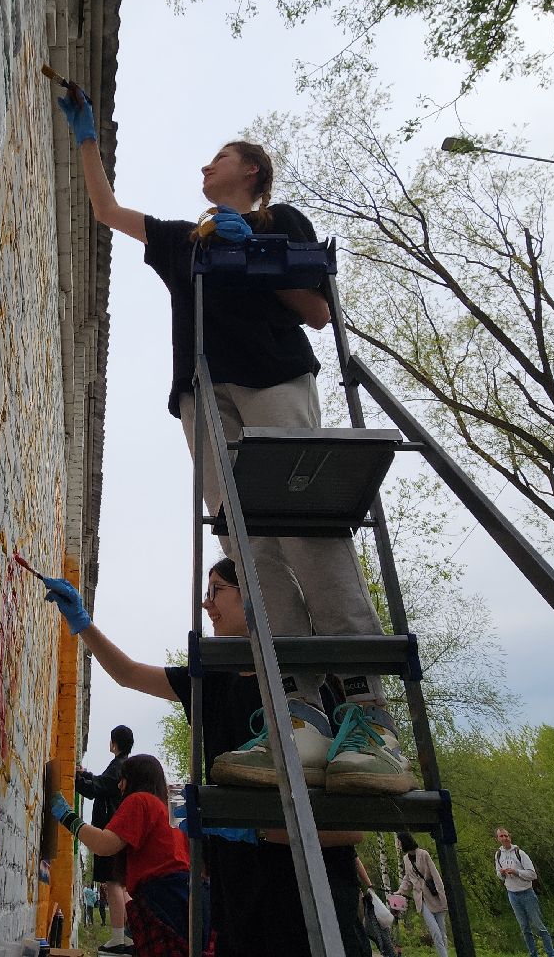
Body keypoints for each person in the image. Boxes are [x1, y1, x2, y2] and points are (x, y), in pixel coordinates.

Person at [55, 90, 415, 795]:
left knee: (310, 533)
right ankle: (302, 715)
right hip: (203, 395)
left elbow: (316, 312)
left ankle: (370, 716)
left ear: (251, 172)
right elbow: (107, 212)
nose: (205, 162)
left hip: (272, 378)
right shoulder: (186, 241)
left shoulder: (279, 220)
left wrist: (265, 255)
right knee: (250, 552)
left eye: (220, 155)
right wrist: (87, 141)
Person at [41, 559, 371, 957]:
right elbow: (128, 673)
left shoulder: (312, 698)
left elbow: (351, 829)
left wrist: (256, 828)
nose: (206, 603)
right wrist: (82, 621)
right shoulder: (212, 683)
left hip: (309, 911)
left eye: (217, 590)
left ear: (252, 595)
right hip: (237, 912)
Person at [51, 754, 203, 956]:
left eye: (123, 779)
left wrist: (66, 816)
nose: (120, 786)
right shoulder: (166, 809)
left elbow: (104, 844)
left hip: (161, 898)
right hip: (183, 897)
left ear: (136, 779)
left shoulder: (140, 801)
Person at [78, 724, 135, 952]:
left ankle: (119, 937)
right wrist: (85, 776)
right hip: (118, 830)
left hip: (109, 831)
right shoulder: (124, 766)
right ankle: (130, 934)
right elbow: (101, 783)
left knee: (113, 884)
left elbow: (98, 787)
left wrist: (77, 779)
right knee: (119, 885)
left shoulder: (119, 766)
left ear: (114, 743)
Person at [494, 827, 554, 957]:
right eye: (501, 836)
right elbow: (499, 875)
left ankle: (551, 954)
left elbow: (533, 874)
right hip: (512, 894)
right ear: (498, 839)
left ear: (509, 836)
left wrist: (516, 872)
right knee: (524, 928)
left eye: (506, 836)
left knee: (539, 926)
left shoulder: (520, 853)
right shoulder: (498, 855)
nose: (504, 838)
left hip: (527, 893)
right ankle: (533, 954)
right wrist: (501, 873)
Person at [395, 832, 448, 957]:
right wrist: (400, 891)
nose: (398, 844)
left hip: (435, 896)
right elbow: (407, 878)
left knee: (441, 931)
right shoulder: (405, 859)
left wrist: (443, 898)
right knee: (435, 931)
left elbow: (436, 876)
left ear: (404, 841)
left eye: (399, 841)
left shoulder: (424, 854)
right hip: (421, 899)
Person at [358, 855, 398, 957]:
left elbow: (356, 860)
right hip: (353, 892)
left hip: (352, 892)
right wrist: (369, 885)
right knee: (363, 928)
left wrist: (369, 885)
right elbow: (356, 861)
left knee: (363, 928)